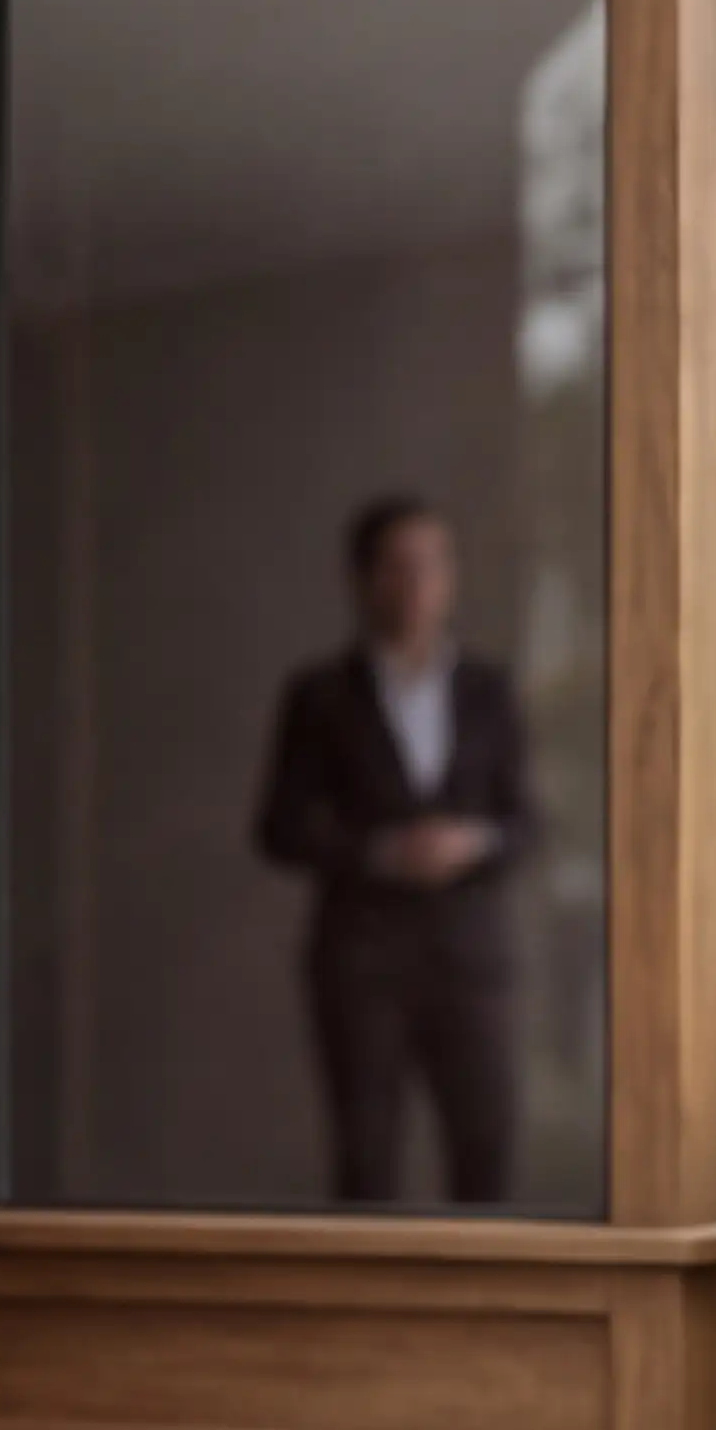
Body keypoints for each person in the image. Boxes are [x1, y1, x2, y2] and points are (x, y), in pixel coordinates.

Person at [252, 495, 537, 1204]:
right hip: (362, 957)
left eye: (432, 567)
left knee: (485, 1148)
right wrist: (381, 852)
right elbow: (279, 825)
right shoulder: (320, 695)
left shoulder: (487, 691)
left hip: (469, 958)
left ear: (452, 578)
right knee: (366, 1157)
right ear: (363, 579)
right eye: (399, 568)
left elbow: (527, 820)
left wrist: (471, 842)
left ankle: (486, 1311)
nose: (416, 586)